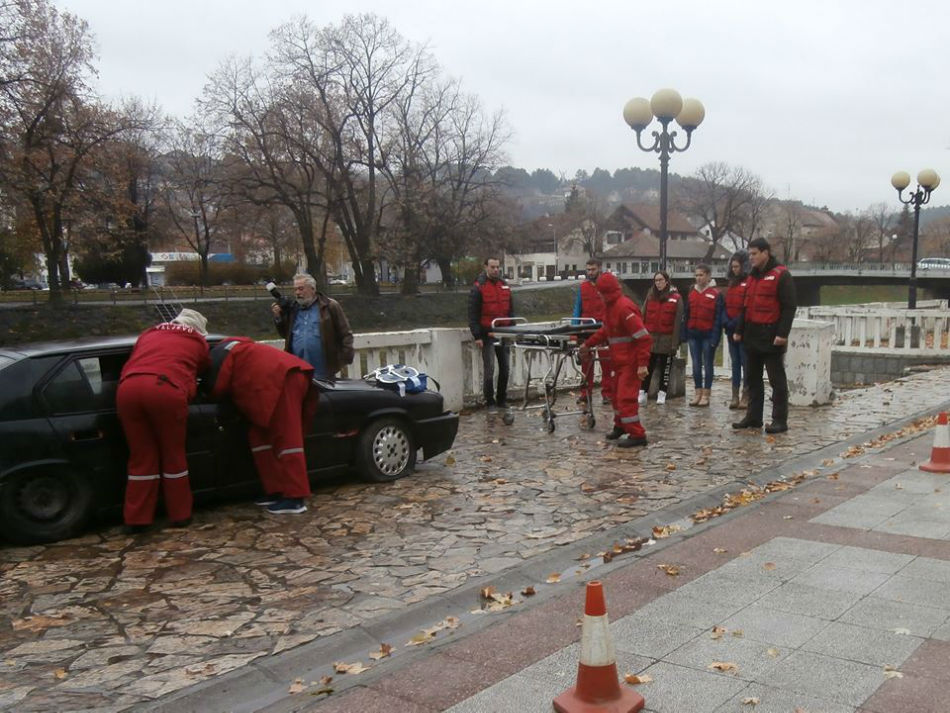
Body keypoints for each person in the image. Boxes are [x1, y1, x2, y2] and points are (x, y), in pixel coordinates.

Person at [117, 309, 210, 533]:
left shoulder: (148, 334)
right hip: (164, 390)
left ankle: (136, 519)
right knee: (173, 455)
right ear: (198, 329)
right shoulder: (197, 341)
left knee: (141, 457)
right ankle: (180, 515)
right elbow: (205, 368)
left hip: (127, 389)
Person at [207, 337, 316, 515]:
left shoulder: (221, 353)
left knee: (287, 437)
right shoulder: (238, 348)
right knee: (259, 436)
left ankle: (296, 498)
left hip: (282, 378)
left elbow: (218, 384)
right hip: (275, 380)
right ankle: (276, 490)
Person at [732, 237, 797, 434]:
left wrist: (782, 334)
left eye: (754, 254)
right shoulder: (751, 277)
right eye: (749, 254)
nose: (750, 258)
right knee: (752, 378)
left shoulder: (781, 275)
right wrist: (738, 330)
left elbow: (789, 306)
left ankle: (779, 420)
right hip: (752, 334)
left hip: (771, 335)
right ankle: (753, 417)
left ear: (765, 253)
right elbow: (746, 306)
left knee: (776, 380)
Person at [580, 272, 652, 448]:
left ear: (605, 291)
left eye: (599, 291)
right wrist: (588, 344)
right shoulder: (612, 307)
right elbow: (606, 331)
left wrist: (642, 364)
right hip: (620, 361)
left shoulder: (624, 308)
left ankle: (637, 434)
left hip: (630, 362)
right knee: (616, 397)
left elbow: (644, 338)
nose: (597, 294)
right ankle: (621, 426)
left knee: (625, 398)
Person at [272, 273, 354, 379]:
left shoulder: (330, 306)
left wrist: (343, 359)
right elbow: (285, 334)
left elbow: (345, 333)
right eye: (295, 289)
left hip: (324, 371)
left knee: (324, 396)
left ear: (312, 289)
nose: (297, 293)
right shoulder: (293, 309)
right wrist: (278, 317)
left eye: (301, 289)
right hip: (298, 371)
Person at [468, 256, 514, 409]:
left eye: (497, 267)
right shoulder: (478, 287)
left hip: (504, 332)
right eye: (492, 267)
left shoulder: (504, 285)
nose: (495, 270)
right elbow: (473, 313)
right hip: (487, 334)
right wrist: (477, 335)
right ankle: (490, 401)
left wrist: (513, 330)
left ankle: (502, 399)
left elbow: (511, 311)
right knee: (490, 369)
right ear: (486, 267)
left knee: (505, 368)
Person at [572, 258, 614, 406]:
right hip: (586, 330)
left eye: (593, 270)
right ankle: (585, 393)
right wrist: (574, 330)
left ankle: (607, 393)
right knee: (586, 364)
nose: (590, 272)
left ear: (599, 269)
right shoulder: (583, 287)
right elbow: (577, 309)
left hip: (603, 329)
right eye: (588, 270)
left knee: (606, 363)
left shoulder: (606, 286)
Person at [681, 263, 723, 407]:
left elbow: (718, 318)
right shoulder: (692, 293)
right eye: (696, 275)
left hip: (708, 334)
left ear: (708, 276)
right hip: (693, 334)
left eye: (701, 275)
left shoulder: (716, 294)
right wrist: (684, 333)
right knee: (696, 365)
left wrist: (715, 338)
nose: (698, 278)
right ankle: (697, 392)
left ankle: (706, 394)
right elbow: (687, 314)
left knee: (708, 364)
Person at [640, 270, 683, 405]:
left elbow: (677, 322)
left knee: (666, 367)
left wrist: (674, 343)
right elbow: (643, 315)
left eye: (660, 280)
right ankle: (643, 392)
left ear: (666, 281)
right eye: (656, 280)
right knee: (648, 366)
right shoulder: (650, 296)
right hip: (651, 338)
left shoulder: (676, 298)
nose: (658, 283)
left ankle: (662, 393)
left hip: (667, 338)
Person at [723, 251, 750, 410]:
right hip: (730, 329)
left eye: (737, 266)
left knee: (745, 363)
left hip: (743, 331)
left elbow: (745, 307)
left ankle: (745, 395)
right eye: (732, 266)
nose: (734, 269)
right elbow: (727, 305)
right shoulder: (731, 284)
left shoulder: (747, 283)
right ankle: (734, 395)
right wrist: (726, 322)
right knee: (735, 364)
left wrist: (735, 324)